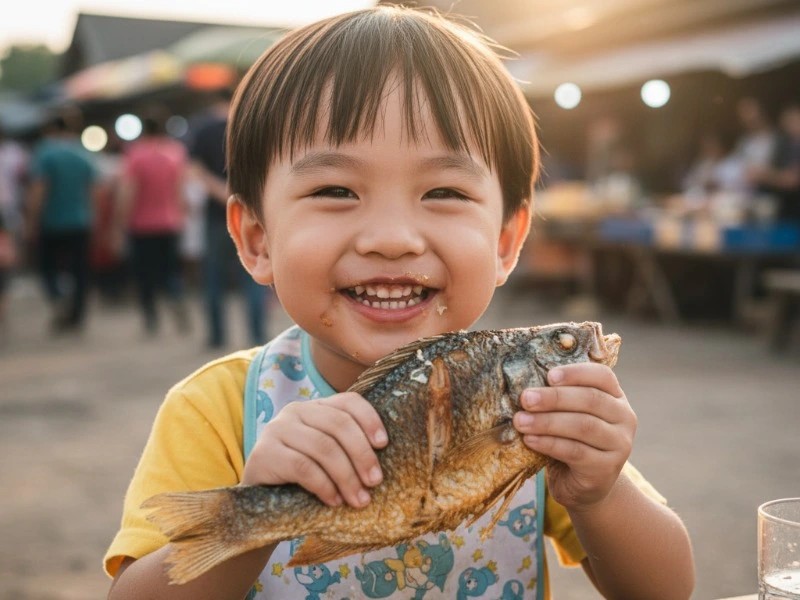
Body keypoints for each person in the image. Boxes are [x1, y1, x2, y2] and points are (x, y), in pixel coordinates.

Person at [105, 8, 695, 600]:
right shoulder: (218, 411)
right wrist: (254, 517)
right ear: (257, 239)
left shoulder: (531, 408)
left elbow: (665, 591)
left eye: (444, 191)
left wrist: (601, 493)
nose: (392, 238)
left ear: (505, 241)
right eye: (336, 190)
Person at [189, 89, 268, 349]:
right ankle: (258, 336)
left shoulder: (203, 129)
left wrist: (224, 195)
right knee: (255, 274)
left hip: (216, 217)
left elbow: (195, 170)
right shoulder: (252, 125)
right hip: (252, 213)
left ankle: (216, 337)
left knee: (213, 278)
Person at [115, 105, 190, 335]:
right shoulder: (176, 152)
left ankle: (151, 318)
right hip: (170, 223)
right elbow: (180, 189)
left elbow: (127, 192)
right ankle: (176, 299)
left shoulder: (134, 154)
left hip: (141, 226)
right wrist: (183, 215)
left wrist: (119, 223)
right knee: (171, 270)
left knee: (144, 273)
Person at [26, 109, 97, 333]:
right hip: (80, 220)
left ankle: (58, 301)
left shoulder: (45, 152)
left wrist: (31, 220)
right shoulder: (83, 153)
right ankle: (77, 314)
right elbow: (93, 190)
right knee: (79, 270)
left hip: (52, 222)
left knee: (48, 268)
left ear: (50, 128)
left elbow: (39, 190)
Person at [748, 104, 800, 224]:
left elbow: (792, 180)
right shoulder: (785, 145)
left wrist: (763, 175)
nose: (791, 126)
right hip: (786, 212)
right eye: (787, 121)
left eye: (795, 120)